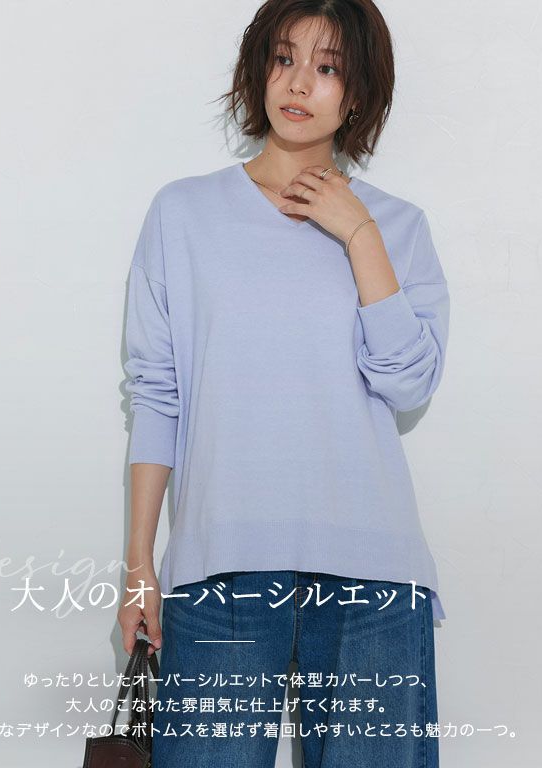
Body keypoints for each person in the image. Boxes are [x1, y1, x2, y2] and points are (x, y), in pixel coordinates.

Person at [118, 1, 449, 765]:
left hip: (372, 576)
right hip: (220, 568)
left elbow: (409, 382)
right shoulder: (184, 213)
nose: (300, 83)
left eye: (328, 67)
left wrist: (357, 232)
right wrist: (139, 566)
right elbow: (159, 393)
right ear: (258, 69)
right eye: (284, 58)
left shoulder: (396, 226)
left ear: (357, 93)